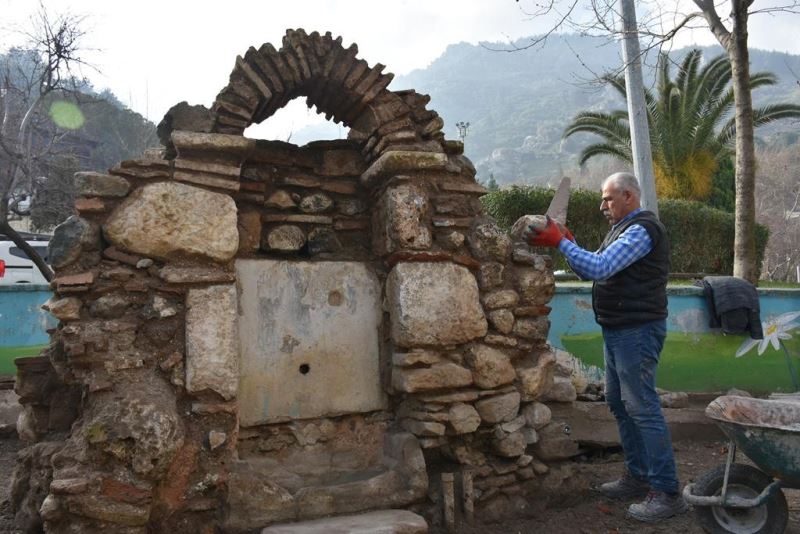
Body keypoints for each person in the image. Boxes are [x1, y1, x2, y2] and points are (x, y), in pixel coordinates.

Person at [525, 172, 687, 522]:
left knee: (641, 406)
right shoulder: (622, 229)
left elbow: (599, 267)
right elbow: (591, 269)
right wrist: (568, 241)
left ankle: (667, 491)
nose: (602, 206)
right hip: (620, 330)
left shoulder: (642, 230)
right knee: (619, 402)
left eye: (608, 198)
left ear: (629, 196)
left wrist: (559, 242)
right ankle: (638, 477)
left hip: (637, 331)